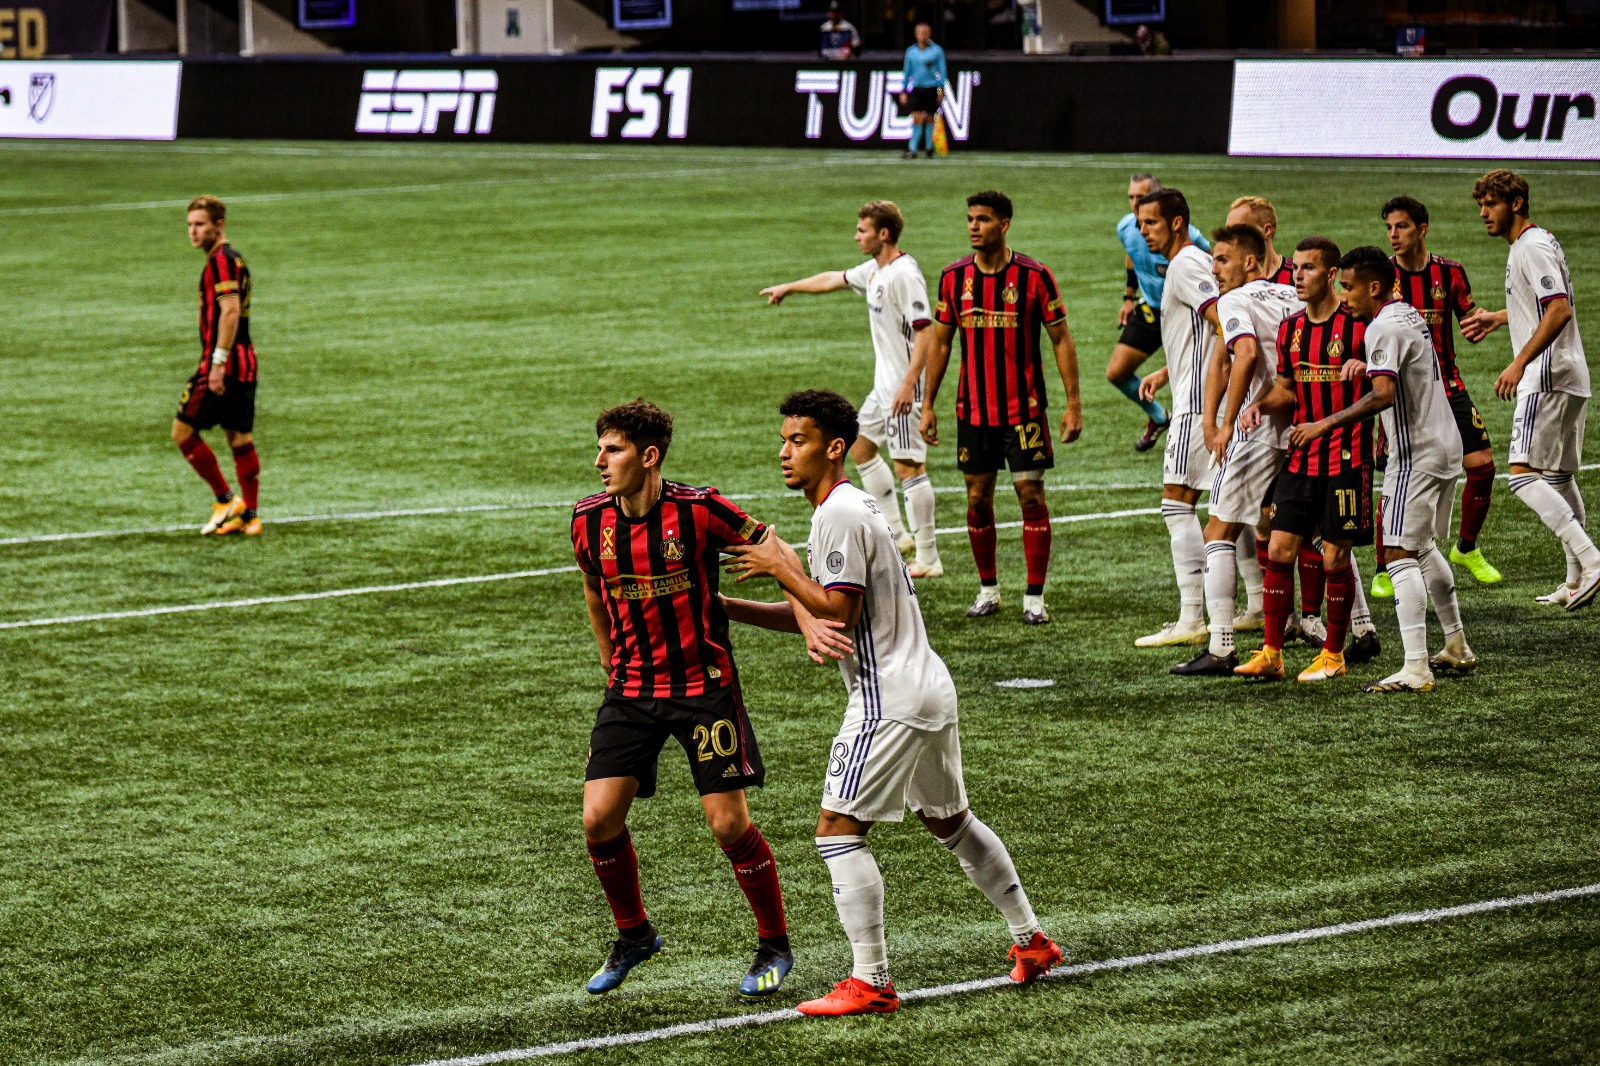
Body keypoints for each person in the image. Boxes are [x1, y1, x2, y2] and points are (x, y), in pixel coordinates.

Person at [723, 389, 1063, 1017]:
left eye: (797, 440)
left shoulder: (840, 515)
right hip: (927, 686)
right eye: (783, 439)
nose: (783, 452)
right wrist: (727, 609)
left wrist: (779, 565)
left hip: (889, 699)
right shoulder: (849, 508)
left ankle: (870, 979)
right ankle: (1032, 940)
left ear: (834, 448)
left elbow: (837, 611)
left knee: (836, 833)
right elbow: (818, 615)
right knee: (951, 823)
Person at [570, 399, 793, 999]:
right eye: (599, 449)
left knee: (727, 825)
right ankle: (635, 935)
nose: (599, 462)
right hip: (632, 691)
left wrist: (807, 600)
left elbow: (772, 547)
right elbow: (595, 592)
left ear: (649, 456)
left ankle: (774, 943)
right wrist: (610, 665)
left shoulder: (700, 511)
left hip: (703, 690)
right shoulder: (588, 521)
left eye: (612, 450)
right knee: (598, 818)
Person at [1272, 247, 1474, 692]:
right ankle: (1456, 644)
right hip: (1446, 445)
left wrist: (1324, 423)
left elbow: (1383, 395)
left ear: (1374, 288)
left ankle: (1416, 667)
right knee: (1423, 548)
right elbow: (1398, 371)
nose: (1344, 296)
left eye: (1348, 286)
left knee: (1398, 552)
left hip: (1415, 454)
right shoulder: (1407, 315)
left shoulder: (1380, 326)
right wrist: (1368, 366)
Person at [920, 190, 1083, 624]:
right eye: (970, 219)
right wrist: (927, 404)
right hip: (973, 412)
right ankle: (989, 589)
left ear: (1005, 224)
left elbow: (1061, 337)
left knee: (1030, 494)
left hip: (1024, 411)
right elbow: (939, 342)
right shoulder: (953, 278)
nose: (974, 226)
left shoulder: (1034, 276)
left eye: (984, 220)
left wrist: (1073, 403)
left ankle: (1035, 597)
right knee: (977, 499)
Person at [760, 200, 943, 578]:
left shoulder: (904, 275)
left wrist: (910, 384)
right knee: (859, 447)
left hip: (902, 390)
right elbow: (833, 279)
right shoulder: (876, 272)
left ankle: (928, 558)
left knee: (909, 466)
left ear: (884, 234)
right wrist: (789, 287)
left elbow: (927, 331)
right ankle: (897, 532)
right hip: (884, 389)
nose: (856, 236)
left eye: (863, 230)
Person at [1235, 238, 1383, 682]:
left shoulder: (1361, 328)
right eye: (1296, 268)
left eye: (1310, 269)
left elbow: (1387, 387)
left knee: (1336, 556)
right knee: (1280, 548)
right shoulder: (1291, 328)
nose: (1298, 276)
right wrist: (1260, 402)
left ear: (1332, 274)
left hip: (1347, 459)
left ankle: (1333, 654)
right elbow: (1289, 386)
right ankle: (1272, 653)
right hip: (1302, 458)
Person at [1461, 169, 1600, 610]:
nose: (1484, 213)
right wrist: (1499, 317)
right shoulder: (1535, 243)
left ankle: (1593, 561)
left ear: (1516, 204)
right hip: (1571, 375)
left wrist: (1519, 363)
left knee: (1522, 477)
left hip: (1547, 375)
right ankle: (1576, 578)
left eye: (1491, 204)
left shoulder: (1531, 246)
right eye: (1481, 204)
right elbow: (1545, 303)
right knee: (1558, 477)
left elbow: (1558, 310)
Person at [1171, 223, 1301, 676]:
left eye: (1222, 259)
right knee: (1315, 531)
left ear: (1249, 261)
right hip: (1299, 427)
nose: (1214, 269)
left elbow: (1241, 354)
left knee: (1218, 532)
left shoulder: (1234, 300)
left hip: (1258, 430)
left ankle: (1222, 647)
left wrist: (1225, 423)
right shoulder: (1290, 295)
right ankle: (1358, 629)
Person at [1383, 195, 1504, 590]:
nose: (1393, 235)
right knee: (1395, 474)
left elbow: (1468, 319)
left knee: (1483, 466)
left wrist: (1487, 322)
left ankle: (1465, 548)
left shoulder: (1450, 273)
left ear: (1422, 229)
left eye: (1401, 226)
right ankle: (1386, 565)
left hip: (1448, 387)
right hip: (1400, 396)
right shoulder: (1382, 278)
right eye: (1388, 227)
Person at [1131, 188, 1215, 647]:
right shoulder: (1188, 263)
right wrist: (1169, 367)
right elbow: (1203, 327)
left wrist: (1208, 380)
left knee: (1177, 503)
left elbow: (1221, 319)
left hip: (1197, 404)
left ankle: (1190, 618)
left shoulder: (1185, 264)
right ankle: (1258, 607)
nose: (1142, 231)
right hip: (1201, 392)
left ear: (1177, 222)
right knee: (1231, 508)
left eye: (1151, 223)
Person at [177, 195, 262, 536]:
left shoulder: (221, 262)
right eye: (190, 226)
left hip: (224, 363)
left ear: (219, 226)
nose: (193, 232)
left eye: (200, 225)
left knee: (182, 432)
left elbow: (229, 310)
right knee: (238, 437)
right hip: (245, 363)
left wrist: (217, 362)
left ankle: (226, 499)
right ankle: (250, 516)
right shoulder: (235, 259)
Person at [1109, 172, 1211, 453]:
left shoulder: (1190, 239)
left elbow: (1212, 262)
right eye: (1130, 197)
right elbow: (1131, 255)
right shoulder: (1128, 228)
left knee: (1190, 378)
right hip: (1153, 311)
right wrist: (1128, 297)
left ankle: (1196, 435)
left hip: (1185, 316)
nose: (1134, 203)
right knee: (1117, 372)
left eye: (1140, 197)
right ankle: (1159, 417)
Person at [899, 22, 946, 160]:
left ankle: (929, 146)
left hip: (931, 88)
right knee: (917, 118)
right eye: (919, 33)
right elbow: (907, 71)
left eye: (925, 33)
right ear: (915, 34)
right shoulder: (911, 52)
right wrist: (904, 90)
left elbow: (942, 71)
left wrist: (941, 88)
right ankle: (912, 148)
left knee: (930, 117)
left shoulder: (937, 51)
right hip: (917, 88)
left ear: (929, 34)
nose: (922, 36)